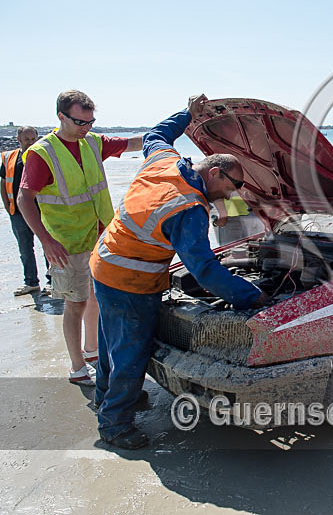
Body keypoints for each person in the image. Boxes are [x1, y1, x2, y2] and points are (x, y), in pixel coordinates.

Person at [89, 94, 270, 450]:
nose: (234, 193)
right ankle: (114, 425)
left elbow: (157, 133)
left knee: (110, 339)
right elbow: (204, 271)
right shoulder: (190, 209)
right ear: (215, 173)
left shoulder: (165, 161)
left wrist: (186, 114)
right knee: (131, 349)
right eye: (234, 186)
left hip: (104, 263)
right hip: (131, 280)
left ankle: (105, 398)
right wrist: (252, 295)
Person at [18, 90, 143, 387]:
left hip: (100, 236)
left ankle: (92, 352)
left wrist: (177, 127)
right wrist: (46, 241)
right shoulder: (42, 153)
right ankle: (77, 368)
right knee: (74, 304)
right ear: (61, 116)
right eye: (79, 122)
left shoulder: (92, 142)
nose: (86, 127)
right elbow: (25, 199)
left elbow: (135, 142)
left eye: (90, 121)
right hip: (66, 243)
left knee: (96, 297)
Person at [2, 126, 49, 295]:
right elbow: (3, 181)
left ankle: (52, 282)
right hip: (18, 212)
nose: (30, 143)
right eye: (26, 139)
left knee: (48, 245)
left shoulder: (43, 155)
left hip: (43, 210)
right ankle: (31, 282)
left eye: (33, 139)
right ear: (18, 139)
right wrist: (7, 205)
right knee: (25, 248)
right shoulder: (9, 157)